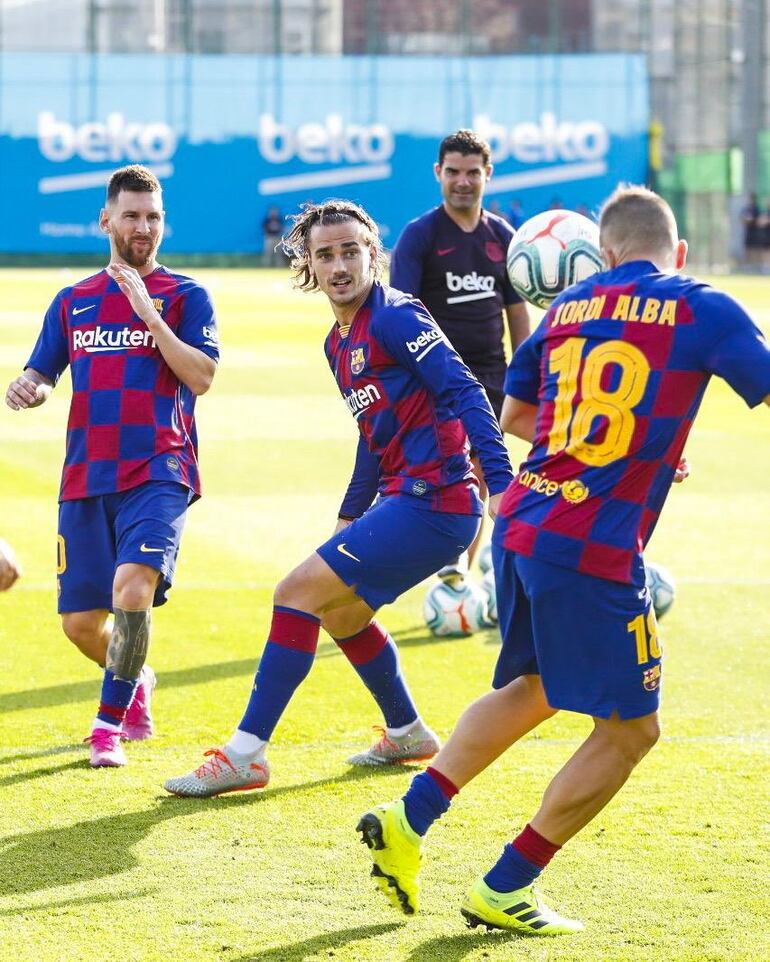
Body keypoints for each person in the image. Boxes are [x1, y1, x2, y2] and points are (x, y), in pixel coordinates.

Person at [357, 185, 770, 934]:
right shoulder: (701, 303)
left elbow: (518, 416)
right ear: (674, 252)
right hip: (594, 547)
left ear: (603, 255)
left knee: (535, 688)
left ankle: (406, 818)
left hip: (520, 525)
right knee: (631, 732)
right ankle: (508, 883)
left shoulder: (567, 312)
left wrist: (625, 441)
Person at [163, 199, 513, 796]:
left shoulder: (398, 316)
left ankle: (247, 753)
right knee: (343, 613)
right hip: (410, 500)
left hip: (438, 502)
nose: (340, 264)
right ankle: (406, 731)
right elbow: (371, 433)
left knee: (294, 593)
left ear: (373, 255)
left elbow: (466, 389)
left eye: (352, 250)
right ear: (310, 266)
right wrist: (350, 514)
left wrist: (501, 484)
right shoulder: (338, 342)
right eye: (326, 254)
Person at [5, 165, 219, 768]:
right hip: (86, 476)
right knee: (79, 624)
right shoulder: (73, 302)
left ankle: (107, 726)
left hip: (159, 469)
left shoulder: (184, 296)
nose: (143, 226)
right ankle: (136, 678)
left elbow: (201, 377)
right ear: (106, 220)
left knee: (133, 590)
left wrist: (150, 315)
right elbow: (42, 372)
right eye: (131, 215)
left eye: (153, 216)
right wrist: (28, 388)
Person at [390, 129, 530, 581]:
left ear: (488, 174)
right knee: (452, 471)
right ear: (438, 173)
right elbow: (400, 314)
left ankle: (461, 576)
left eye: (473, 172)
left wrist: (525, 375)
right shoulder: (420, 236)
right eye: (453, 172)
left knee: (485, 471)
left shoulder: (503, 236)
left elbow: (516, 311)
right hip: (439, 378)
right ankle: (451, 561)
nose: (463, 181)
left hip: (492, 375)